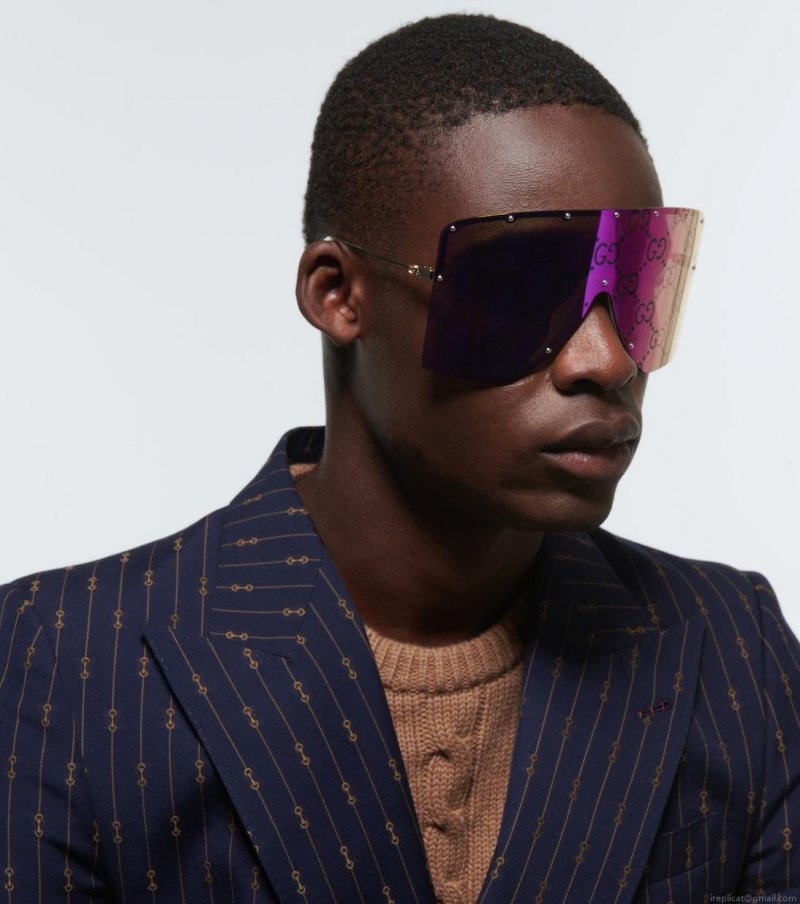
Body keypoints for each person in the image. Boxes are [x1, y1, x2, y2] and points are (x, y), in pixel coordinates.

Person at [1, 13, 797, 903]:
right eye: (522, 288)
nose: (606, 361)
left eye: (640, 286)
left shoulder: (738, 649)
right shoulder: (65, 662)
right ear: (338, 295)